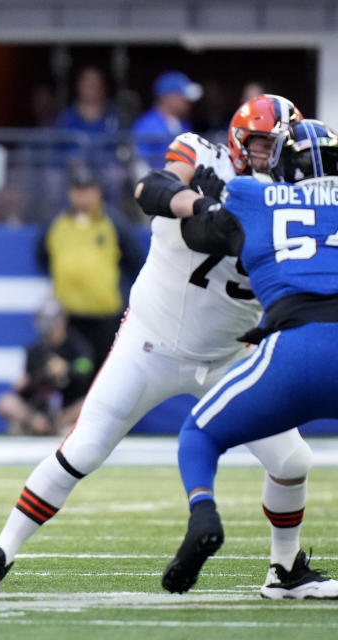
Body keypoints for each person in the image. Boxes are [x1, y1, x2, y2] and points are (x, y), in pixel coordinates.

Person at [0, 94, 336, 601]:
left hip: (229, 356)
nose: (271, 155)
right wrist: (203, 203)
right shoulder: (205, 159)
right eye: (262, 143)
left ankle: (284, 572)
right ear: (241, 142)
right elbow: (151, 186)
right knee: (82, 450)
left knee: (291, 461)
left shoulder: (294, 200)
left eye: (280, 145)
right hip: (149, 343)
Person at [160, 120, 338, 596]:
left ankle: (204, 513)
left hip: (296, 346)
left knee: (198, 433)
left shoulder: (251, 194)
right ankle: (285, 572)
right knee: (290, 458)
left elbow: (201, 233)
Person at [37, 164, 142, 364]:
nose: (83, 196)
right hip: (67, 319)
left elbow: (134, 260)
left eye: (88, 190)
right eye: (78, 190)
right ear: (70, 193)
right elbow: (43, 257)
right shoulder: (56, 224)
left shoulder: (113, 223)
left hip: (105, 317)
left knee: (103, 370)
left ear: (98, 192)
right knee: (72, 372)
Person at [0, 299, 94, 436]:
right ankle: (38, 425)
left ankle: (57, 426)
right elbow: (29, 384)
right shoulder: (36, 350)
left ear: (63, 321)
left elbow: (86, 368)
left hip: (66, 410)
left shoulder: (77, 346)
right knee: (5, 402)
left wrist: (67, 369)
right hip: (39, 410)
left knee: (89, 403)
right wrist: (29, 381)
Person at [132, 71, 202, 170]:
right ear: (168, 97)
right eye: (182, 96)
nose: (187, 101)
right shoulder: (146, 125)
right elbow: (141, 162)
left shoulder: (184, 124)